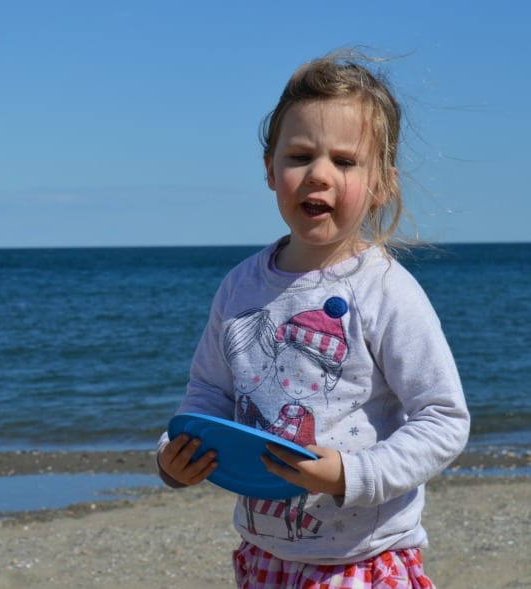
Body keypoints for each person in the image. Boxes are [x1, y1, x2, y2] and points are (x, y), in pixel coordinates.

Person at [156, 51, 470, 588]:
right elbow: (209, 393)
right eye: (300, 155)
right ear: (270, 169)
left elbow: (443, 419)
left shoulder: (385, 289)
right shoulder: (240, 287)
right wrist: (175, 455)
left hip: (364, 559)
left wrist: (352, 474)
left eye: (345, 162)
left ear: (382, 183)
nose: (319, 175)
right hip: (265, 553)